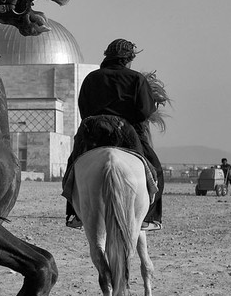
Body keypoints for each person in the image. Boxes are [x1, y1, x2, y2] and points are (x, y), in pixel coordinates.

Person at [64, 38, 164, 230]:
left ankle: (74, 215)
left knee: (73, 167)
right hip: (127, 130)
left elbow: (83, 109)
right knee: (155, 169)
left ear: (107, 56)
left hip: (93, 130)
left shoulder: (92, 78)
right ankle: (150, 218)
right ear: (129, 59)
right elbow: (144, 112)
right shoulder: (136, 79)